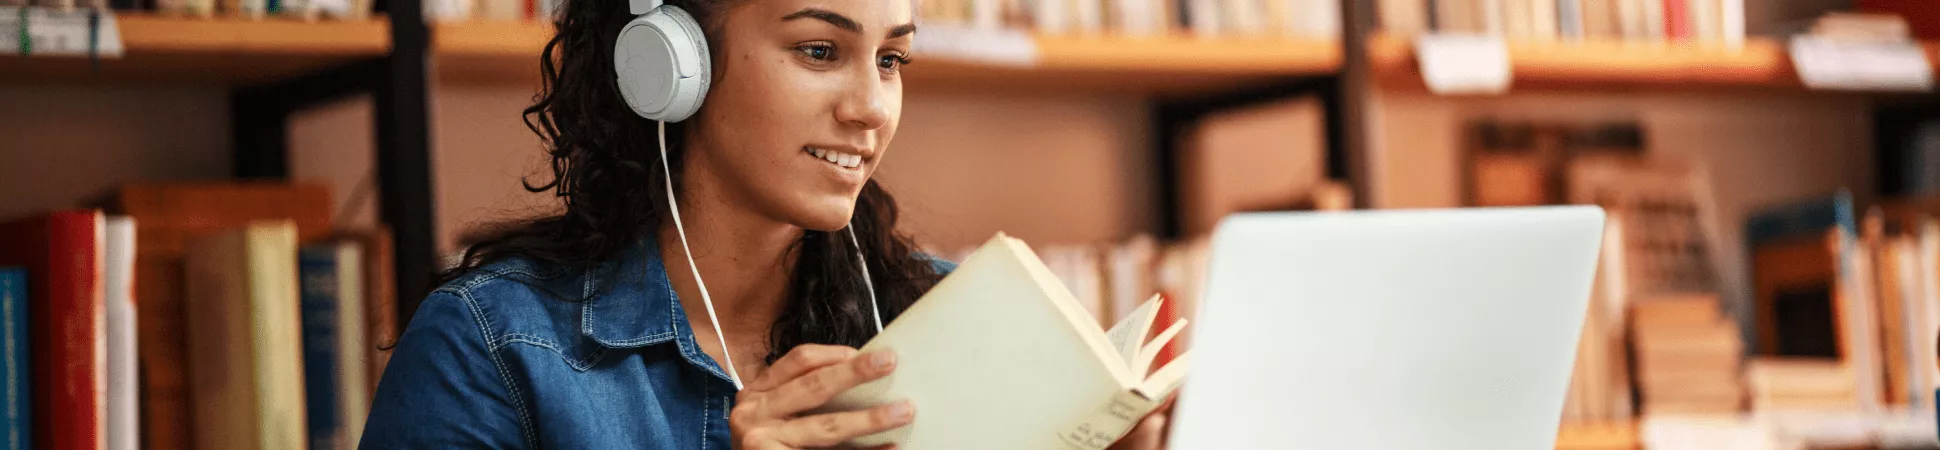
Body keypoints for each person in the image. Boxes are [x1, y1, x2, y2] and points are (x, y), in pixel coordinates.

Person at [359, 0, 1171, 448]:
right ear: (670, 69)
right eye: (820, 51)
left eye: (892, 60)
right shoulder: (493, 347)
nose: (871, 109)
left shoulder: (947, 320)